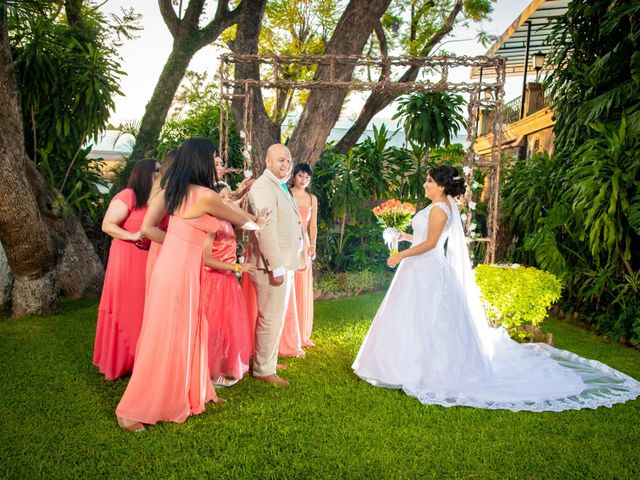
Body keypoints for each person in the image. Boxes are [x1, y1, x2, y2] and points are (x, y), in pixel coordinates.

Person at [353, 166, 640, 411]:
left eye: (429, 181)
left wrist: (398, 255)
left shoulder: (441, 210)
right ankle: (396, 363)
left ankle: (422, 369)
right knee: (410, 316)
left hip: (426, 269)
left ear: (441, 187)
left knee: (427, 318)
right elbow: (422, 236)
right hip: (417, 268)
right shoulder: (435, 206)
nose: (425, 184)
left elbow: (430, 245)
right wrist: (401, 235)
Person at [115, 137, 269, 432]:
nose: (216, 162)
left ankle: (194, 390)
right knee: (165, 336)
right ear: (201, 160)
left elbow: (148, 229)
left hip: (176, 269)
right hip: (179, 273)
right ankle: (131, 411)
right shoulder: (205, 196)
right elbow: (243, 220)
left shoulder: (171, 190)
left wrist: (179, 244)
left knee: (190, 331)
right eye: (213, 157)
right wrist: (258, 221)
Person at [245, 144, 306, 386]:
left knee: (277, 315)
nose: (286, 164)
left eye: (289, 160)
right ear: (268, 161)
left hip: (284, 261)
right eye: (281, 159)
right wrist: (277, 266)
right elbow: (265, 227)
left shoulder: (277, 185)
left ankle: (267, 359)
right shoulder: (262, 186)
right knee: (270, 316)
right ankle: (262, 369)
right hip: (270, 264)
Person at [93, 158, 159, 380]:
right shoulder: (128, 196)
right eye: (156, 170)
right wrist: (131, 235)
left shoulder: (158, 200)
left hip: (149, 261)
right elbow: (107, 224)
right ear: (144, 173)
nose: (160, 174)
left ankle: (143, 361)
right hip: (127, 258)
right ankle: (120, 361)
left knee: (144, 309)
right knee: (125, 307)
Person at [203, 186, 255, 386]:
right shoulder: (211, 223)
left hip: (227, 280)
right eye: (221, 196)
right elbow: (205, 258)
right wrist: (236, 266)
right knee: (213, 327)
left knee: (227, 327)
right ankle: (210, 373)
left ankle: (220, 367)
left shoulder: (227, 222)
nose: (226, 200)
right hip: (214, 281)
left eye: (229, 196)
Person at [279, 163, 318, 356]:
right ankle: (286, 333)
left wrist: (313, 246)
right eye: (301, 176)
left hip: (305, 244)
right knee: (289, 286)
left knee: (302, 286)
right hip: (289, 242)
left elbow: (313, 226)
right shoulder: (287, 193)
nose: (303, 180)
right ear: (294, 176)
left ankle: (302, 332)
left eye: (307, 178)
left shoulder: (312, 198)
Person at [144, 149, 177, 289]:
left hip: (161, 245)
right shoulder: (166, 193)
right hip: (165, 246)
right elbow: (148, 227)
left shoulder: (161, 187)